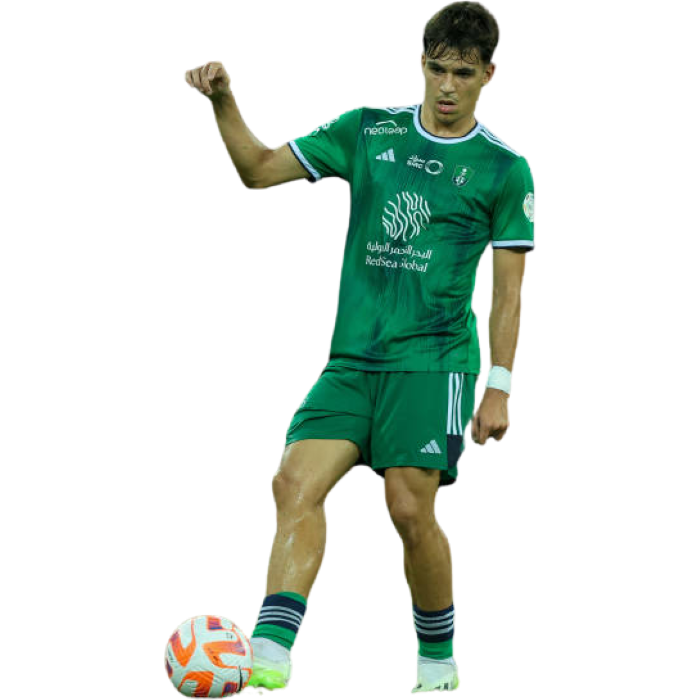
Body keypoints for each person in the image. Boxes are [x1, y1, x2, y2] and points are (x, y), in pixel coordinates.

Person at [183, 1, 534, 693]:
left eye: (464, 74)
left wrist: (499, 386)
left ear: (489, 75)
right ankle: (269, 659)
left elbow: (508, 292)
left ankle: (436, 664)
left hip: (435, 363)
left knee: (407, 508)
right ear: (421, 63)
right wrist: (223, 100)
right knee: (292, 483)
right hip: (351, 361)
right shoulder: (368, 129)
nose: (447, 87)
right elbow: (258, 170)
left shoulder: (504, 168)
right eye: (437, 69)